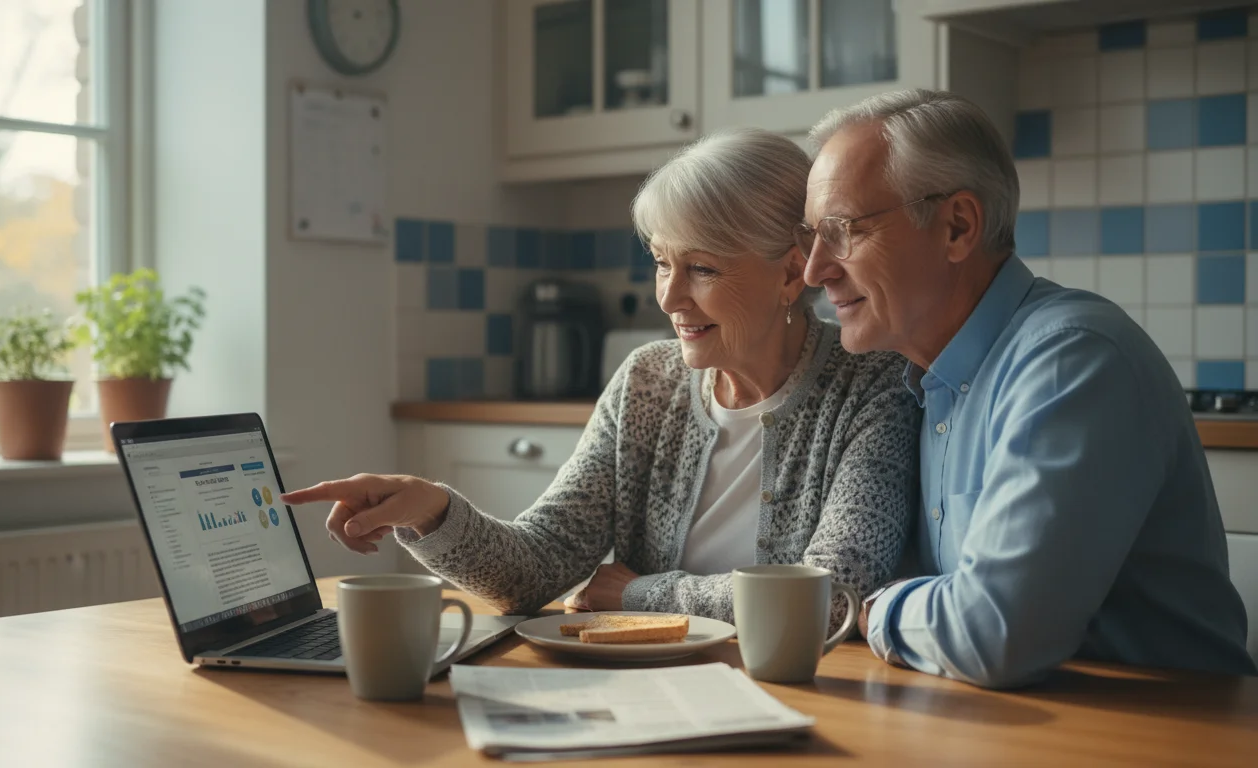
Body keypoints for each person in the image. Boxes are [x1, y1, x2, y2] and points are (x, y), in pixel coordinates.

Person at [282, 128, 920, 623]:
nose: (669, 300)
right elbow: (535, 568)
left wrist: (643, 593)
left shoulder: (874, 384)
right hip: (651, 692)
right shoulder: (648, 380)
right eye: (661, 264)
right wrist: (432, 511)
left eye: (701, 269)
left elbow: (834, 596)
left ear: (789, 274)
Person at [796, 89, 1255, 686]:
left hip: (1169, 731)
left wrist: (880, 607)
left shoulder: (1072, 361)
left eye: (843, 230)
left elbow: (993, 630)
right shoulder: (926, 383)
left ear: (958, 226)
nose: (815, 270)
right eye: (812, 237)